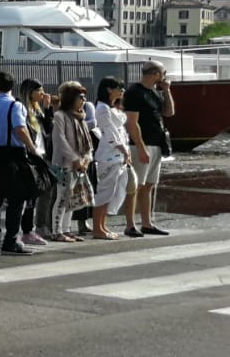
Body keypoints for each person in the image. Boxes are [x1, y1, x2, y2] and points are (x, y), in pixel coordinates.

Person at [0, 71, 39, 256]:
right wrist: (32, 148)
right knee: (16, 199)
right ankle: (11, 240)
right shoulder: (15, 105)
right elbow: (20, 128)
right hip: (13, 155)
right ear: (12, 87)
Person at [123, 61, 175, 236]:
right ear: (155, 74)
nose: (165, 76)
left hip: (156, 144)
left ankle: (147, 223)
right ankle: (130, 224)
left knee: (150, 185)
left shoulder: (155, 92)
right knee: (135, 186)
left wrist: (166, 90)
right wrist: (141, 147)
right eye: (163, 73)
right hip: (141, 145)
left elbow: (169, 112)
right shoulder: (134, 92)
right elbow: (132, 123)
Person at [49, 81, 94, 243]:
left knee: (71, 198)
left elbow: (87, 141)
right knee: (62, 197)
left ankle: (67, 229)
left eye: (84, 97)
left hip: (80, 165)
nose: (83, 101)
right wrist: (75, 159)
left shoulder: (80, 116)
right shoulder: (60, 116)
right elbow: (60, 141)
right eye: (79, 97)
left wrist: (86, 159)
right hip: (64, 165)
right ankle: (57, 231)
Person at [91, 76, 132, 240]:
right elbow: (108, 131)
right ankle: (97, 228)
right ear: (109, 89)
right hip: (108, 155)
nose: (122, 91)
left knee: (112, 191)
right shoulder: (102, 109)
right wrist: (121, 147)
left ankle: (102, 225)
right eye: (119, 88)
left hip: (117, 155)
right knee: (104, 191)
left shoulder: (112, 108)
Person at [15, 79, 53, 247]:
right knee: (27, 196)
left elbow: (47, 128)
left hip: (40, 155)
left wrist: (47, 108)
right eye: (39, 90)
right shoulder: (21, 108)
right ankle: (23, 231)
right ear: (29, 92)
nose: (42, 93)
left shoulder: (35, 110)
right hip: (28, 155)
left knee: (36, 195)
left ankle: (29, 230)